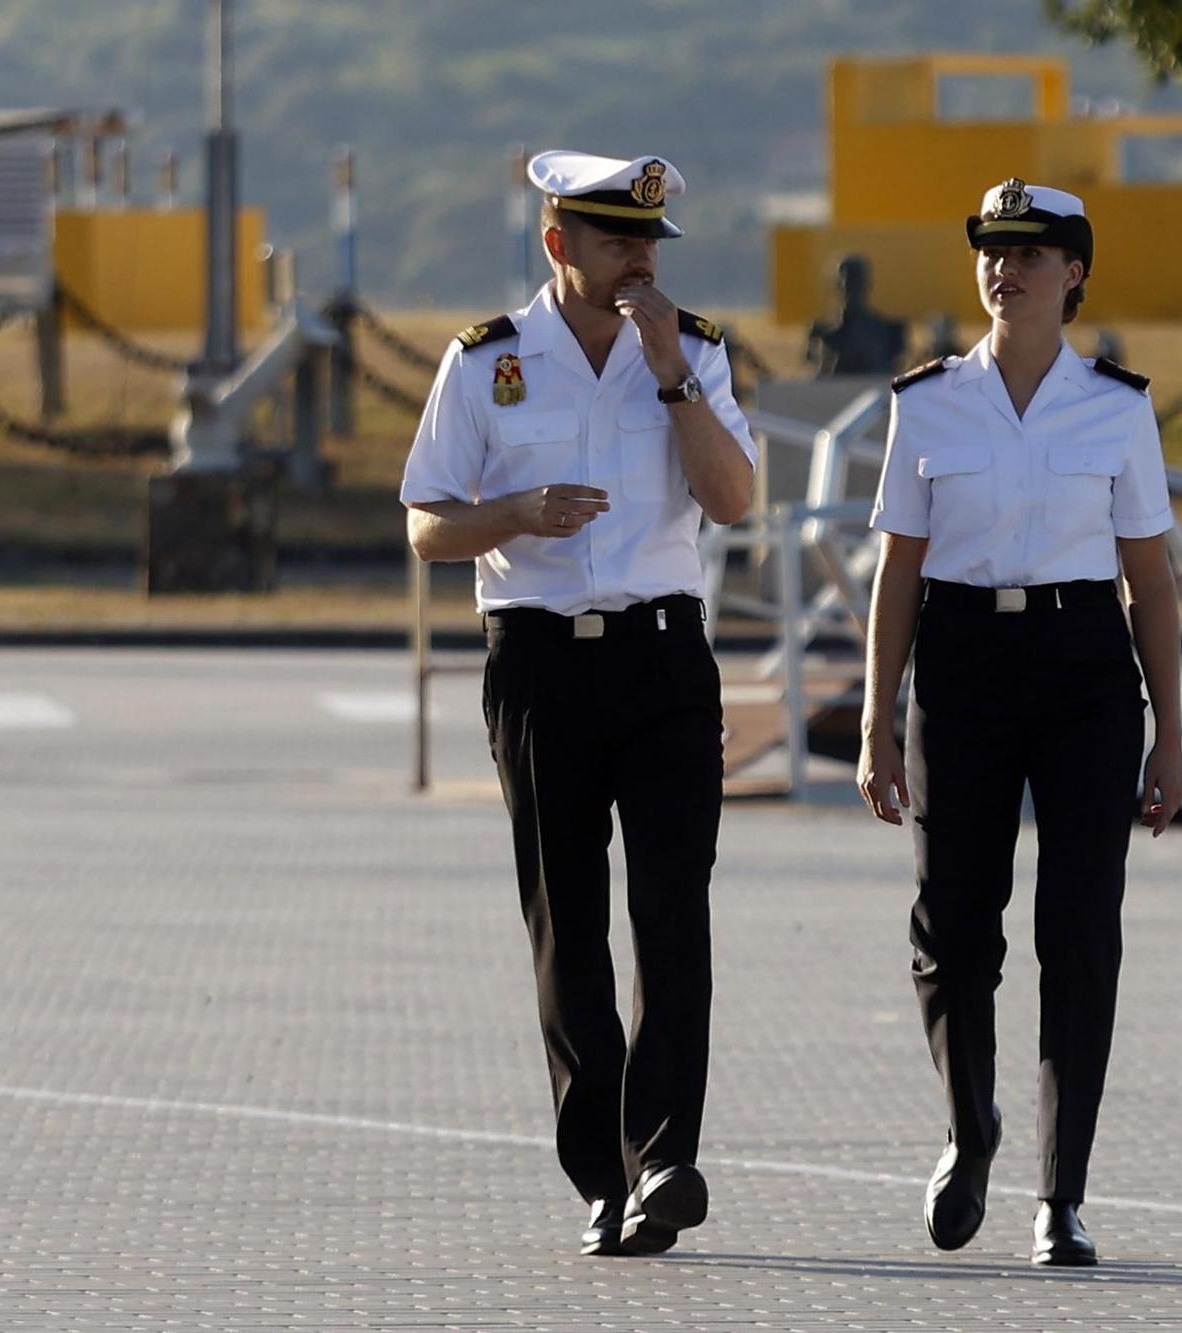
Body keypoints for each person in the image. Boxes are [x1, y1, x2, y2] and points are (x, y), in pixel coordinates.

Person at [399, 151, 755, 1258]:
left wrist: (671, 378)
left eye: (648, 243)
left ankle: (664, 1159)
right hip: (543, 661)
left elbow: (734, 498)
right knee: (570, 926)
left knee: (672, 912)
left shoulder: (690, 350)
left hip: (660, 659)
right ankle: (599, 1172)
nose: (639, 261)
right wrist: (514, 513)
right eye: (615, 242)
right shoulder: (487, 362)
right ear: (558, 245)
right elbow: (424, 524)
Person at [855, 178, 1182, 1268]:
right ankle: (969, 1124)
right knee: (951, 926)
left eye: (1030, 252)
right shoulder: (927, 400)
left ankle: (1062, 1195)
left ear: (1073, 272)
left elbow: (1148, 575)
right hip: (959, 664)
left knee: (1079, 931)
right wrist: (875, 719)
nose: (1005, 269)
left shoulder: (1116, 405)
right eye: (991, 251)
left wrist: (1170, 734)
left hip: (1084, 667)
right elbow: (896, 571)